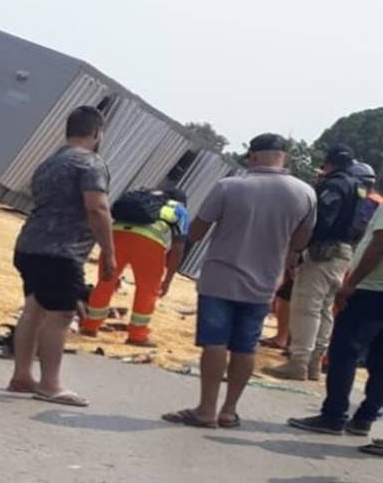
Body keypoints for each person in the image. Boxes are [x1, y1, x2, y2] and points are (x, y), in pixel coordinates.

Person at [163, 133, 316, 429]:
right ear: (284, 156)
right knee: (246, 346)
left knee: (215, 343)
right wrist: (287, 253)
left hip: (220, 277)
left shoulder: (230, 186)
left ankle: (206, 410)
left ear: (254, 156)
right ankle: (229, 410)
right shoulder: (305, 193)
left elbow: (196, 230)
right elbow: (301, 239)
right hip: (264, 282)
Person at [7, 105, 115, 408]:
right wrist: (108, 252)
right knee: (61, 315)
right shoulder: (91, 163)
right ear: (96, 133)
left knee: (34, 310)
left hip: (29, 245)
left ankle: (22, 375)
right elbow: (97, 207)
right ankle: (50, 384)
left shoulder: (49, 162)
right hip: (62, 252)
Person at [286, 186, 383, 442]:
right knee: (381, 360)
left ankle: (334, 415)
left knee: (344, 352)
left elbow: (378, 245)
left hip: (372, 290)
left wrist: (352, 283)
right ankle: (364, 418)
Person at [266, 144, 363, 380]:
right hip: (343, 254)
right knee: (324, 310)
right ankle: (314, 364)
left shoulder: (334, 185)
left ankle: (298, 362)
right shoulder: (357, 187)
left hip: (323, 253)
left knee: (306, 307)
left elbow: (322, 220)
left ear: (329, 163)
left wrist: (299, 248)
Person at [81, 189, 190, 346]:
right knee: (147, 290)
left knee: (105, 283)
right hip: (148, 244)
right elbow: (178, 247)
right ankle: (137, 336)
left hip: (116, 236)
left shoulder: (140, 200)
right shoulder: (179, 210)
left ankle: (90, 327)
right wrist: (168, 279)